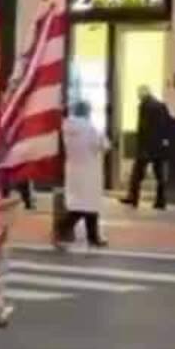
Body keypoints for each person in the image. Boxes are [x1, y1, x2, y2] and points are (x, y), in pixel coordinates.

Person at [57, 99, 108, 251]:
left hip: (73, 169)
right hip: (89, 171)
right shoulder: (90, 128)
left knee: (82, 204)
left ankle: (93, 236)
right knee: (87, 205)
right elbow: (104, 145)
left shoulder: (66, 127)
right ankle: (64, 228)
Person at [123, 85, 171, 210]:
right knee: (160, 175)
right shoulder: (161, 105)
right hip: (159, 146)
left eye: (138, 94)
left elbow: (142, 127)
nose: (138, 96)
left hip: (146, 146)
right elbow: (168, 123)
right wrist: (165, 141)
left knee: (137, 174)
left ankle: (133, 198)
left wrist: (140, 144)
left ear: (142, 94)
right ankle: (161, 201)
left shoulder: (144, 106)